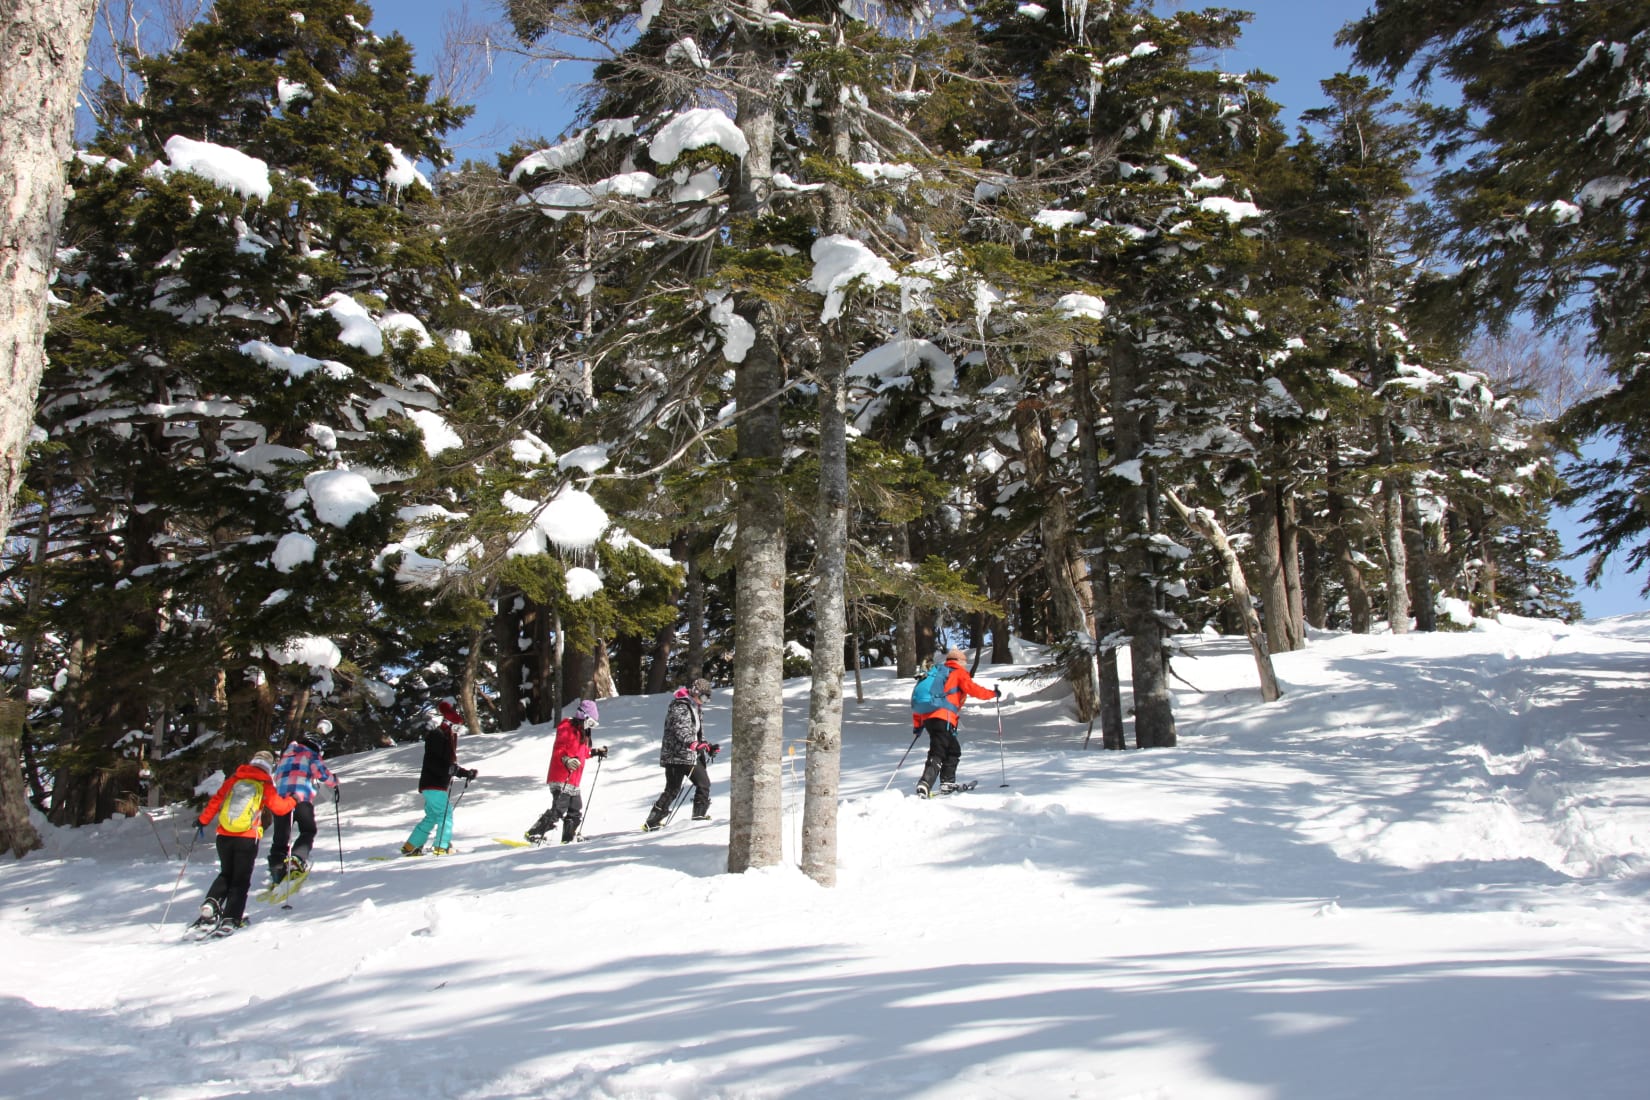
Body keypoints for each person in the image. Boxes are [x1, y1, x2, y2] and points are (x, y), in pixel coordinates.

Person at [192, 750, 296, 935]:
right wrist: (293, 801)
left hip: (223, 836)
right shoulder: (264, 783)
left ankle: (211, 904)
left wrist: (203, 820)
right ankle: (232, 918)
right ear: (268, 766)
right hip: (247, 838)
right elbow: (279, 809)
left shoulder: (234, 779)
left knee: (226, 873)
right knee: (240, 879)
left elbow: (216, 801)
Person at [913, 647, 999, 798]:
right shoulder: (958, 672)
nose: (965, 665)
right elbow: (973, 689)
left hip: (928, 718)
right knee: (938, 750)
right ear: (959, 661)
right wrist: (992, 694)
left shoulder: (935, 673)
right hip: (944, 717)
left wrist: (918, 725)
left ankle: (947, 782)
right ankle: (924, 783)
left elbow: (923, 699)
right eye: (964, 662)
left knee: (953, 750)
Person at [525, 699, 608, 844]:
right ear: (583, 717)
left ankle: (568, 838)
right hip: (561, 776)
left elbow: (583, 753)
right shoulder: (567, 726)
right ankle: (534, 833)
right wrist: (566, 760)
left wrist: (595, 752)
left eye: (594, 724)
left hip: (573, 779)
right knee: (559, 807)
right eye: (590, 723)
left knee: (575, 809)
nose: (591, 727)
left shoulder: (583, 733)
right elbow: (560, 749)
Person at [401, 699, 477, 856]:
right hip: (434, 784)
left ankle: (412, 845)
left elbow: (446, 764)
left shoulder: (443, 737)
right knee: (445, 814)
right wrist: (450, 770)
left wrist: (464, 773)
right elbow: (435, 762)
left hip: (431, 784)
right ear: (449, 723)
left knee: (433, 816)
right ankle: (441, 846)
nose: (457, 730)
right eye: (456, 726)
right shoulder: (438, 736)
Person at [267, 724, 339, 886]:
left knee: (281, 836)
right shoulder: (310, 754)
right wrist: (334, 781)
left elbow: (277, 776)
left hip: (281, 800)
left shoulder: (285, 755)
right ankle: (298, 858)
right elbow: (322, 774)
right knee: (308, 830)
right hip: (301, 798)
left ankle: (276, 867)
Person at [642, 678, 717, 831]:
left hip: (690, 755)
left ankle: (698, 816)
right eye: (703, 697)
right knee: (673, 789)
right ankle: (652, 821)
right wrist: (693, 744)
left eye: (707, 698)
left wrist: (707, 746)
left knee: (703, 783)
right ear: (696, 692)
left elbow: (696, 732)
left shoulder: (695, 707)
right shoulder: (680, 706)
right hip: (677, 755)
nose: (705, 701)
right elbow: (681, 730)